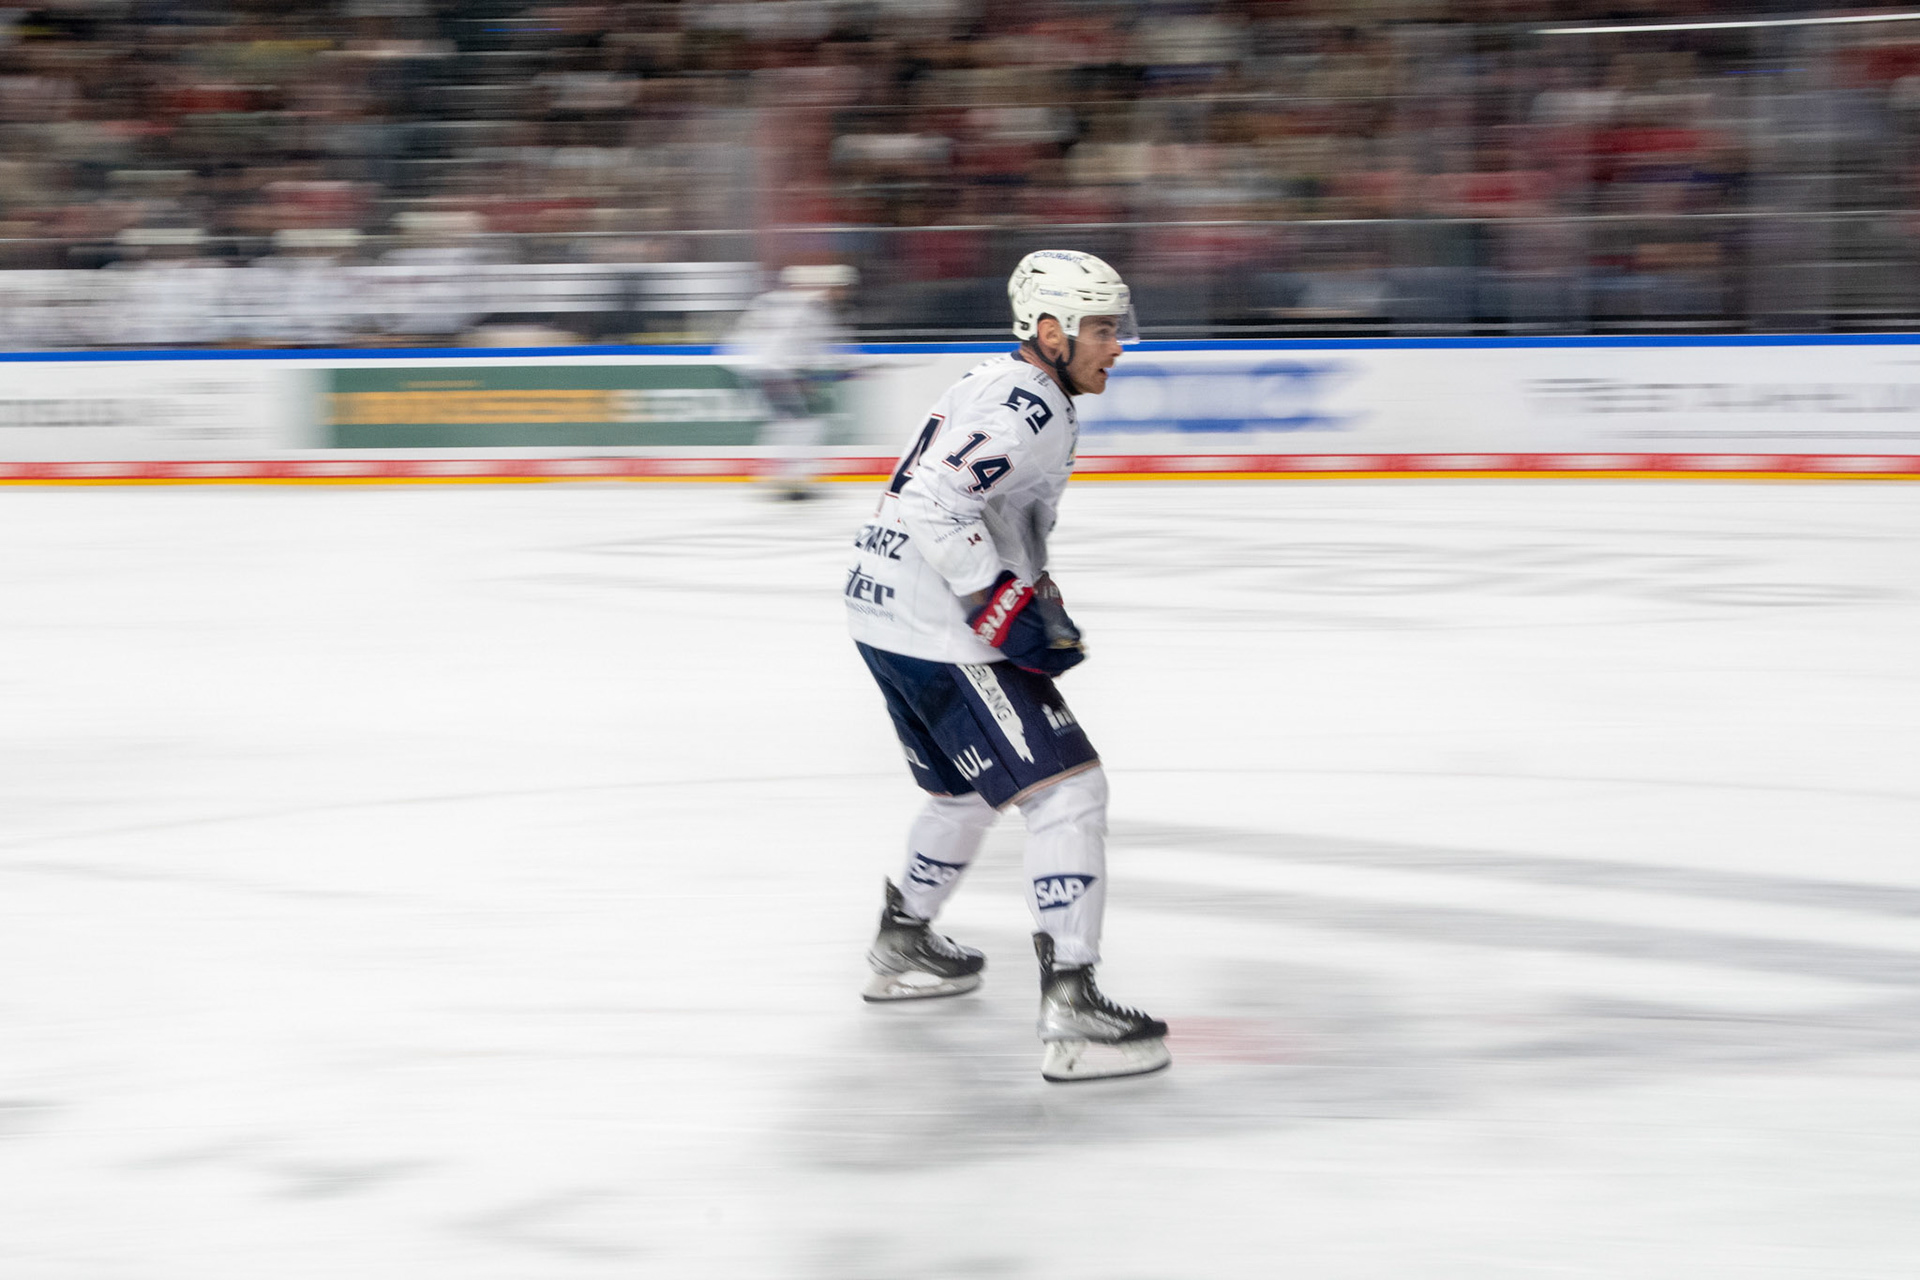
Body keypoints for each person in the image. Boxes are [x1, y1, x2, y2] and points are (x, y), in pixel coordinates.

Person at [843, 249, 1170, 1083]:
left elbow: (982, 501)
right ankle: (1072, 998)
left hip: (881, 604)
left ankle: (903, 940)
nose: (1117, 345)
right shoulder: (1031, 407)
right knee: (1068, 790)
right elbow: (934, 500)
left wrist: (1029, 580)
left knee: (960, 790)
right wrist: (998, 601)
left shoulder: (1004, 382)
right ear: (1051, 331)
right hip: (937, 623)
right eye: (1102, 329)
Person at [725, 263, 859, 500]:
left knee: (787, 424)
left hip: (756, 369)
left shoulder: (768, 301)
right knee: (804, 425)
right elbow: (818, 348)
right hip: (777, 371)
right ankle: (790, 479)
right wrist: (847, 368)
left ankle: (783, 477)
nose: (842, 293)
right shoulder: (812, 306)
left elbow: (740, 339)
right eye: (841, 287)